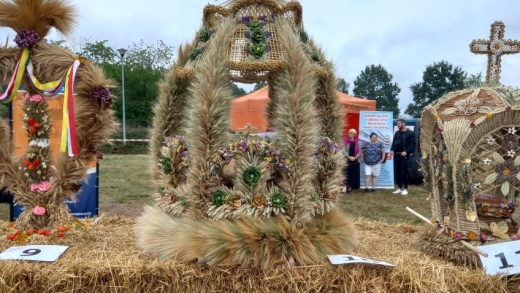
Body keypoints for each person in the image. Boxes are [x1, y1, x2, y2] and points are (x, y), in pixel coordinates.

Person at [390, 119, 416, 195]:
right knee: (397, 172)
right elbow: (394, 142)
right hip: (397, 155)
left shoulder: (410, 133)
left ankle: (406, 188)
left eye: (399, 123)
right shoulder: (397, 133)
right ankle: (400, 187)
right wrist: (392, 149)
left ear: (403, 123)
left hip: (404, 155)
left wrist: (406, 151)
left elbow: (413, 144)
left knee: (403, 172)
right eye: (397, 123)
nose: (397, 125)